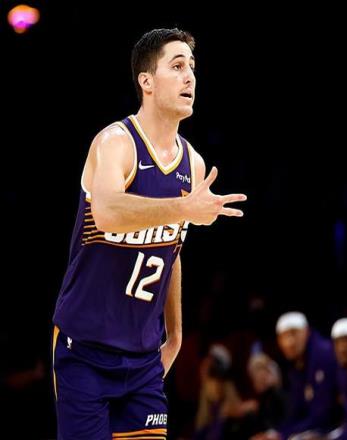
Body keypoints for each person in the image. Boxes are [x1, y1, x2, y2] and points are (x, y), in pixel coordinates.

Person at [51, 28, 247, 439]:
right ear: (147, 81)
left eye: (192, 67)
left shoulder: (192, 163)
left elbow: (172, 252)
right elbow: (107, 213)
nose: (190, 77)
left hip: (142, 358)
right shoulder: (115, 143)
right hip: (84, 349)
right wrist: (183, 209)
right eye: (176, 66)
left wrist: (175, 335)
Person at [253, 312, 340, 440]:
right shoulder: (297, 364)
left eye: (294, 333)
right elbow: (297, 411)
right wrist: (276, 433)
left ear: (307, 332)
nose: (289, 342)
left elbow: (324, 415)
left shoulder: (323, 355)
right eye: (284, 337)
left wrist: (283, 435)